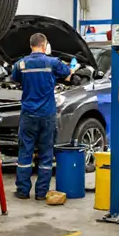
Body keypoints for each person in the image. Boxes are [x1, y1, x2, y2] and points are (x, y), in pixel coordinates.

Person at [11, 32, 73, 201]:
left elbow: (15, 79)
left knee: (25, 152)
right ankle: (41, 193)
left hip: (28, 114)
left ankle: (23, 191)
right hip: (47, 114)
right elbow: (68, 73)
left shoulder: (21, 64)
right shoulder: (53, 62)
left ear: (31, 45)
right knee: (46, 154)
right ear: (45, 45)